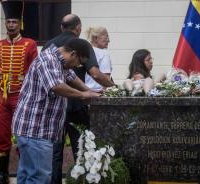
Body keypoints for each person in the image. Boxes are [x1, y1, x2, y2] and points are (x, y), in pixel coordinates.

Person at [12, 38, 100, 184]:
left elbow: (71, 77)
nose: (78, 66)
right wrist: (83, 95)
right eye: (79, 62)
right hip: (35, 130)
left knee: (27, 175)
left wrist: (90, 91)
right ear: (73, 54)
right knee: (39, 178)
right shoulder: (49, 60)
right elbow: (57, 86)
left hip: (34, 130)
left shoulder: (60, 62)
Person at [42, 14, 114, 184]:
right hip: (76, 105)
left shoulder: (48, 45)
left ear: (61, 27)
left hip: (54, 107)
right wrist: (114, 87)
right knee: (82, 150)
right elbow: (95, 74)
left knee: (55, 152)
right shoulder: (82, 46)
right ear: (78, 29)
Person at [0, 0, 38, 183]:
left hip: (21, 96)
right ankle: (2, 174)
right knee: (2, 137)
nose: (11, 25)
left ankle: (23, 173)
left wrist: (31, 98)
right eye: (8, 22)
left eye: (14, 22)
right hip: (3, 97)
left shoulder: (30, 44)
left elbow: (34, 73)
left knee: (22, 136)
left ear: (20, 24)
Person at [85, 26, 112, 92]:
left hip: (84, 91)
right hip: (98, 92)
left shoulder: (85, 51)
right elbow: (106, 78)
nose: (109, 40)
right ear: (96, 38)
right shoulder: (104, 53)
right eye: (106, 37)